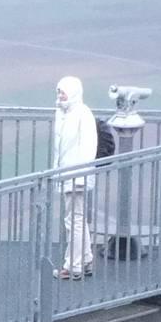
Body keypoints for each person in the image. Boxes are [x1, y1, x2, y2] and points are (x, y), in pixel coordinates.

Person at [52, 75, 100, 281]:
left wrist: (79, 174)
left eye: (63, 91)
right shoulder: (64, 113)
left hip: (76, 175)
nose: (60, 95)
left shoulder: (82, 113)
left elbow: (89, 148)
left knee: (74, 221)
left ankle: (74, 265)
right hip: (67, 174)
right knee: (77, 218)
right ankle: (85, 260)